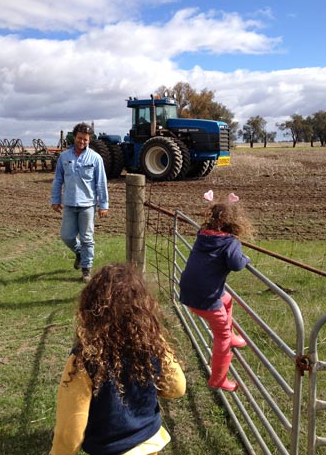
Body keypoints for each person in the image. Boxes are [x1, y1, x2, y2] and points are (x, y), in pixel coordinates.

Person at [50, 263, 186, 455]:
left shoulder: (83, 359)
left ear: (90, 309)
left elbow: (71, 425)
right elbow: (177, 388)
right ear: (143, 309)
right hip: (149, 444)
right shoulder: (152, 345)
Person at [179, 192, 253, 392]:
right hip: (206, 298)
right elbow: (237, 264)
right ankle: (218, 379)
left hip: (188, 291)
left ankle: (230, 334)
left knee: (227, 299)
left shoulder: (203, 235)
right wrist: (245, 259)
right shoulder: (230, 242)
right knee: (220, 337)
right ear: (236, 223)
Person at [51, 123, 109, 283]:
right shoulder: (64, 157)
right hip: (69, 204)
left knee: (87, 238)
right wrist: (55, 199)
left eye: (85, 139)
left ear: (89, 140)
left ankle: (86, 270)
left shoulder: (95, 158)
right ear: (74, 138)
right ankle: (79, 253)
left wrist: (103, 205)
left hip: (88, 205)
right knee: (66, 236)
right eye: (79, 138)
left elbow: (101, 182)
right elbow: (58, 180)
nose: (82, 141)